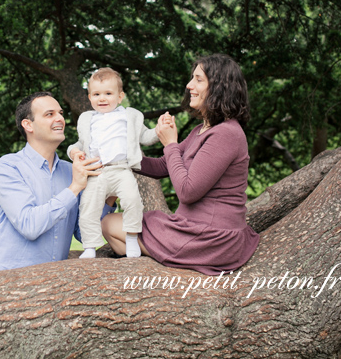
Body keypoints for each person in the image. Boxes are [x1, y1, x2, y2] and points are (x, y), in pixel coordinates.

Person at [101, 54, 260, 275]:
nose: (189, 85)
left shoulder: (227, 134)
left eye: (198, 79)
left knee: (110, 224)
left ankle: (174, 257)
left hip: (210, 237)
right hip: (191, 227)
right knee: (111, 226)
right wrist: (119, 158)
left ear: (219, 87)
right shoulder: (201, 130)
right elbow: (163, 167)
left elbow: (187, 191)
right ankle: (166, 257)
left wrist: (170, 143)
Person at [0, 92, 113, 273]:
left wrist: (110, 196)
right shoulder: (8, 167)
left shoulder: (71, 170)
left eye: (60, 113)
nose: (60, 119)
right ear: (28, 125)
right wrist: (75, 187)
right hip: (5, 280)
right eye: (49, 114)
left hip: (50, 285)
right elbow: (29, 226)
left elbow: (83, 233)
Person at [67, 68, 159, 259]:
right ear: (90, 97)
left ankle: (132, 236)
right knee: (88, 207)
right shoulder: (87, 119)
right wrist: (73, 151)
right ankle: (90, 247)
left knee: (133, 201)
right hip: (97, 172)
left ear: (120, 96)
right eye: (97, 94)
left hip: (121, 169)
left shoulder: (129, 116)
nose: (102, 98)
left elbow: (145, 136)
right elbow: (80, 144)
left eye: (108, 93)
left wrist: (159, 130)